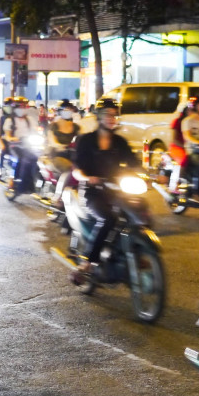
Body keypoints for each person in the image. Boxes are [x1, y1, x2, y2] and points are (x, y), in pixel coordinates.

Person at [70, 98, 136, 282]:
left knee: (139, 210)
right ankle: (88, 263)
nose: (111, 118)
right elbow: (77, 170)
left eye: (115, 115)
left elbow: (134, 163)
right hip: (93, 192)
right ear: (99, 116)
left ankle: (139, 252)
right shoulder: (87, 141)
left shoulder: (120, 142)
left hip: (116, 190)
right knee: (109, 218)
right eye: (108, 114)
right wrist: (87, 178)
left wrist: (153, 176)